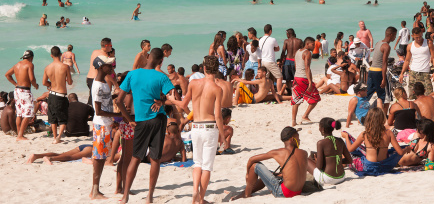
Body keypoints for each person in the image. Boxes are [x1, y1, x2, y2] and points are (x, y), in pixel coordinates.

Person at [116, 48, 174, 204]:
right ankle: (149, 196)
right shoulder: (162, 77)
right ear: (161, 61)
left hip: (140, 121)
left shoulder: (132, 74)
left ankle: (125, 196)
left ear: (148, 57)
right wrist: (162, 102)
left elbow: (118, 101)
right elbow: (175, 98)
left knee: (135, 158)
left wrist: (129, 119)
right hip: (158, 119)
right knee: (155, 158)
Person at [167, 56, 225, 204]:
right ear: (217, 69)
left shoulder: (193, 83)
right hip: (210, 127)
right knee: (207, 166)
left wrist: (171, 99)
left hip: (196, 127)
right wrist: (223, 137)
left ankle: (194, 191)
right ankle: (200, 198)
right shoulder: (217, 89)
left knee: (197, 163)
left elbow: (184, 103)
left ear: (204, 68)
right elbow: (218, 116)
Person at [231, 127, 307, 200]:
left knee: (255, 166)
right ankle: (246, 192)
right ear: (292, 139)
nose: (299, 140)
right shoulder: (304, 153)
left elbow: (251, 159)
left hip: (283, 193)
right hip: (298, 192)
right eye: (298, 138)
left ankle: (246, 194)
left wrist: (247, 174)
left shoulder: (280, 152)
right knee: (270, 173)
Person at [89, 55, 125, 200]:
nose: (112, 67)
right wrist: (118, 115)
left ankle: (96, 189)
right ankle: (95, 190)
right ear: (101, 66)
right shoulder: (97, 85)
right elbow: (98, 110)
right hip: (101, 124)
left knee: (102, 157)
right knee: (98, 158)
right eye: (109, 65)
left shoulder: (104, 82)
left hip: (106, 124)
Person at [342, 108, 410, 176]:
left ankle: (343, 162)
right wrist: (407, 149)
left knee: (350, 146)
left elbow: (350, 149)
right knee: (395, 150)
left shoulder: (365, 134)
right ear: (382, 119)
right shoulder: (389, 133)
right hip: (384, 167)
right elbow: (400, 152)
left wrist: (346, 137)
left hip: (368, 167)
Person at [5, 50, 39, 141]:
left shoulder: (17, 65)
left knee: (19, 114)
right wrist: (36, 85)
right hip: (25, 91)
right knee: (28, 114)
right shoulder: (29, 64)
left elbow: (7, 75)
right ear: (31, 57)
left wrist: (15, 84)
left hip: (17, 90)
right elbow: (32, 79)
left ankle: (19, 134)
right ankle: (20, 136)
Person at [307, 118, 352, 188]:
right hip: (341, 177)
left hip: (329, 179)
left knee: (306, 160)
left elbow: (319, 167)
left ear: (322, 129)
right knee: (312, 158)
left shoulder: (321, 143)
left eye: (319, 127)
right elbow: (349, 160)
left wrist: (317, 160)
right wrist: (338, 161)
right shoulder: (340, 141)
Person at [399, 27, 434, 99]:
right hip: (413, 73)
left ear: (422, 34)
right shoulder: (410, 46)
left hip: (425, 73)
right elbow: (407, 60)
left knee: (429, 96)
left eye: (420, 36)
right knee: (412, 96)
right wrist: (402, 73)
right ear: (412, 36)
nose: (419, 39)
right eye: (416, 37)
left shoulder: (428, 43)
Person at [291, 37, 320, 126]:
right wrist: (310, 82)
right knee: (315, 98)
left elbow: (296, 65)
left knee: (296, 100)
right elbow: (307, 67)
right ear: (307, 44)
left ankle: (293, 121)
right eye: (312, 44)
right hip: (304, 79)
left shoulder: (298, 52)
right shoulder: (307, 53)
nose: (314, 46)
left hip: (296, 78)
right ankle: (305, 115)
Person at [366, 27, 397, 112]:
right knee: (385, 96)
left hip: (371, 70)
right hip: (379, 72)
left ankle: (361, 112)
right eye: (395, 35)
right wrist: (383, 78)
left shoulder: (378, 43)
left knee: (368, 94)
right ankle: (383, 116)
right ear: (391, 35)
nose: (395, 37)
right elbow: (384, 63)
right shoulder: (386, 46)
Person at [86, 38, 112, 106]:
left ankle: (88, 113)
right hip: (96, 80)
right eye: (111, 46)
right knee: (95, 101)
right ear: (106, 46)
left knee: (91, 98)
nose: (111, 47)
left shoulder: (94, 51)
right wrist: (115, 84)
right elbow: (107, 72)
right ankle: (90, 114)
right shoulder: (104, 56)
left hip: (88, 78)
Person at [259, 24, 283, 92]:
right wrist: (272, 49)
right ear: (270, 31)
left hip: (263, 61)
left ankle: (264, 92)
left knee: (265, 78)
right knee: (279, 77)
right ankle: (279, 93)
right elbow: (278, 49)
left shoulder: (260, 40)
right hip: (270, 61)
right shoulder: (273, 39)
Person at [26, 145, 94, 164]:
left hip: (85, 146)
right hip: (91, 148)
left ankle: (36, 156)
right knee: (72, 157)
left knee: (60, 154)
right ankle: (51, 158)